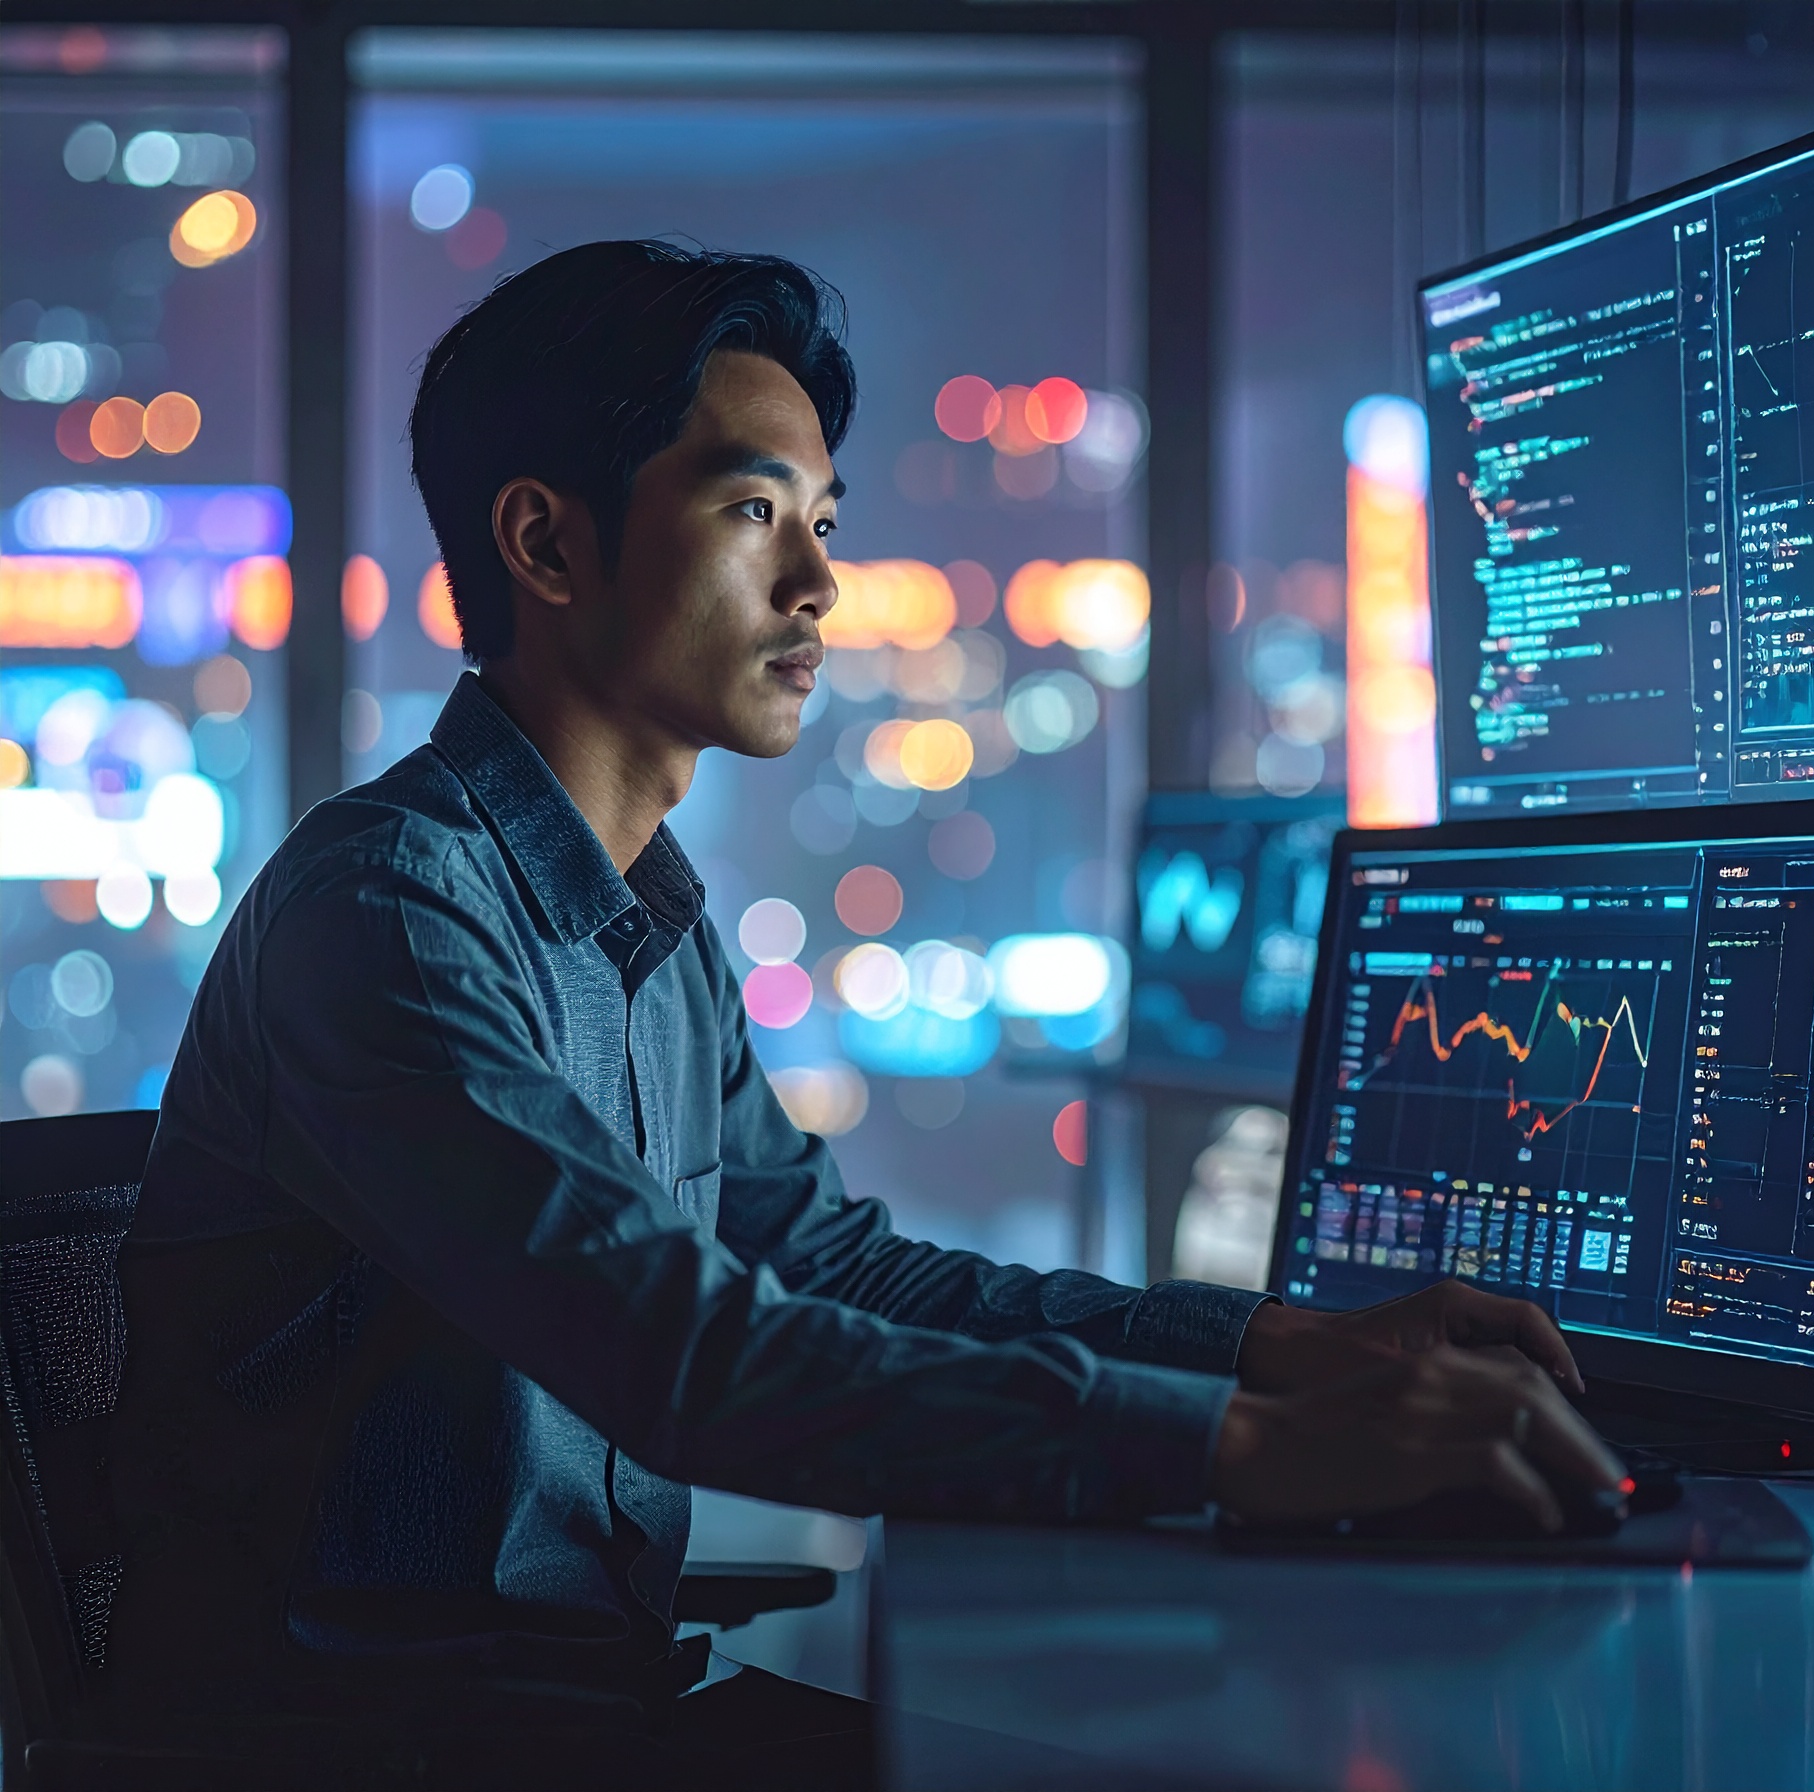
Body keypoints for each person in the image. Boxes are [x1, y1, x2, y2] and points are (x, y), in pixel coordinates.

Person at [104, 241, 1622, 1784]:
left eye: (823, 523)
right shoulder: (391, 917)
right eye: (756, 512)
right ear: (547, 546)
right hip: (368, 1752)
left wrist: (1277, 1353)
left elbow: (832, 1271)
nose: (821, 583)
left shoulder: (660, 931)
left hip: (585, 1713)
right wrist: (1246, 1450)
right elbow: (685, 1358)